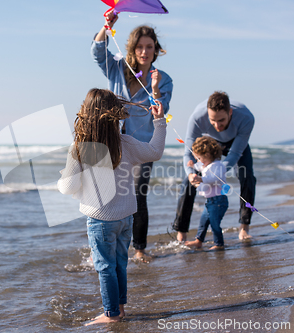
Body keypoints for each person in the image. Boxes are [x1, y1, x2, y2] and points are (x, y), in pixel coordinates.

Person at [57, 89, 167, 325]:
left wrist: (61, 181)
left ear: (86, 115)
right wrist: (159, 122)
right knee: (119, 263)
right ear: (114, 115)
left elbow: (68, 187)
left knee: (105, 266)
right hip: (126, 217)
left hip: (100, 220)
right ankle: (120, 308)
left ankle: (112, 315)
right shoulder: (125, 143)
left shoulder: (80, 147)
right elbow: (155, 152)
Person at [91, 11, 173, 260]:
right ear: (133, 48)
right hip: (113, 141)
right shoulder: (118, 67)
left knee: (138, 194)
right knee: (110, 194)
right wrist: (106, 27)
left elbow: (162, 111)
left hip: (142, 146)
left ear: (155, 49)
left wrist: (155, 89)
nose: (144, 52)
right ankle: (111, 244)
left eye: (149, 47)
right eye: (140, 47)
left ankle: (139, 249)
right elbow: (97, 53)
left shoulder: (165, 79)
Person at [172, 91, 256, 241]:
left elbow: (235, 154)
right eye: (213, 121)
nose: (217, 125)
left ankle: (244, 226)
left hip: (235, 142)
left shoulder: (246, 118)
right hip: (210, 143)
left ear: (230, 112)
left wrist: (214, 171)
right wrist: (192, 173)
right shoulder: (197, 117)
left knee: (247, 175)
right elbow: (188, 153)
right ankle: (181, 233)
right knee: (188, 181)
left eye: (221, 120)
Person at [184, 136, 228, 250]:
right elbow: (201, 166)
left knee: (214, 224)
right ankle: (199, 241)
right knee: (203, 222)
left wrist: (201, 179)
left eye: (199, 158)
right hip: (210, 201)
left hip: (218, 201)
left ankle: (219, 244)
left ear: (207, 155)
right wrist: (192, 166)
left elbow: (215, 178)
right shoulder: (207, 164)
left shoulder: (218, 165)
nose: (198, 160)